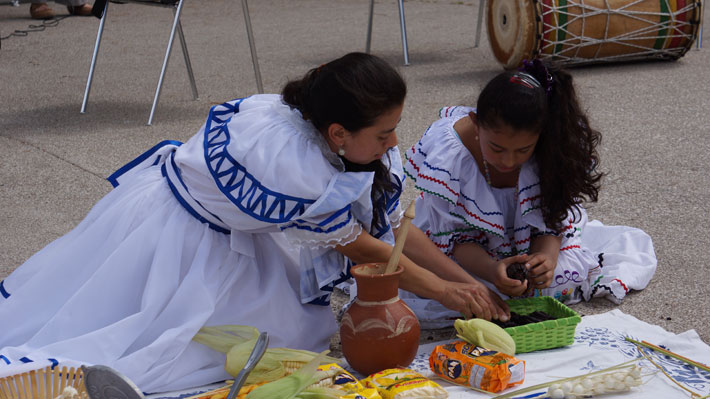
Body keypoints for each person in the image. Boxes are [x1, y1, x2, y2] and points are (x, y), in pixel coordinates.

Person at [0, 53, 507, 394]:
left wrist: (468, 284)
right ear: (337, 134)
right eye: (385, 133)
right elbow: (361, 248)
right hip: (178, 234)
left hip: (240, 234)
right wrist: (442, 291)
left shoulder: (348, 142)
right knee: (143, 335)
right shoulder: (292, 164)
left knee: (280, 334)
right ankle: (58, 377)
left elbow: (397, 228)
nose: (395, 143)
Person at [401, 59, 657, 325]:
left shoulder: (552, 146)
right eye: (497, 149)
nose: (509, 161)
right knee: (460, 291)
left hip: (526, 242)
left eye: (523, 151)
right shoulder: (451, 155)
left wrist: (544, 259)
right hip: (464, 252)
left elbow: (552, 218)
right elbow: (456, 239)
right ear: (475, 123)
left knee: (555, 277)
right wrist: (491, 269)